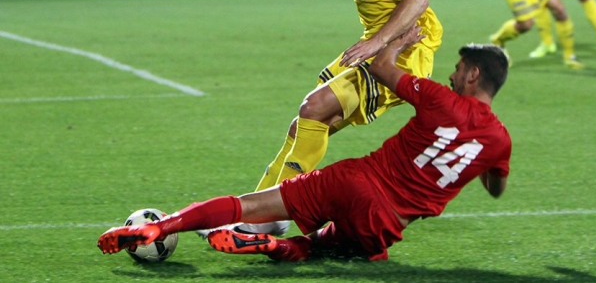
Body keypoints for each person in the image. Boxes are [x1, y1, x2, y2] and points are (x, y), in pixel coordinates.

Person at [97, 29, 512, 262]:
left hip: (352, 181)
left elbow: (381, 65)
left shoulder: (440, 99)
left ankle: (160, 226)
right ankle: (279, 246)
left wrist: (402, 39)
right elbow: (496, 187)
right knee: (328, 248)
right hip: (384, 222)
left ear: (474, 75)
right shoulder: (499, 143)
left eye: (458, 70)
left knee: (248, 204)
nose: (452, 75)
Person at [212, 0, 443, 235]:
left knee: (314, 108)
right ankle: (257, 213)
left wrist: (377, 43)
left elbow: (418, 0)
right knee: (304, 125)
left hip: (403, 52)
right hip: (375, 45)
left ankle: (270, 216)